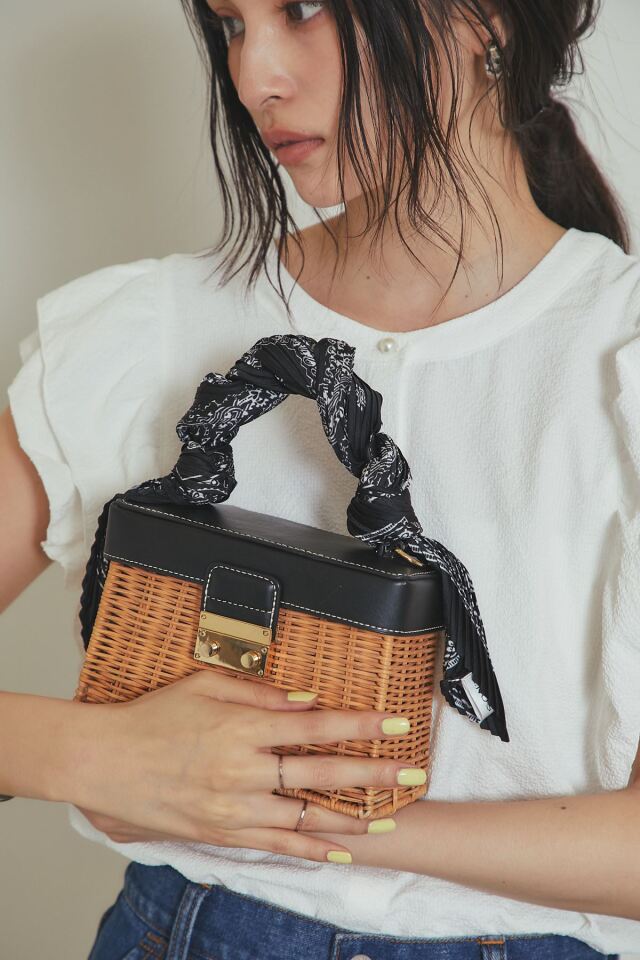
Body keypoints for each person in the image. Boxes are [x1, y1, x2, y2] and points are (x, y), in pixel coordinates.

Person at [1, 0, 639, 957]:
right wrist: (89, 756)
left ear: (483, 18)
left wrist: (276, 807)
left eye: (302, 10)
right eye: (230, 24)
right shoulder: (148, 331)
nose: (254, 77)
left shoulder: (618, 359)